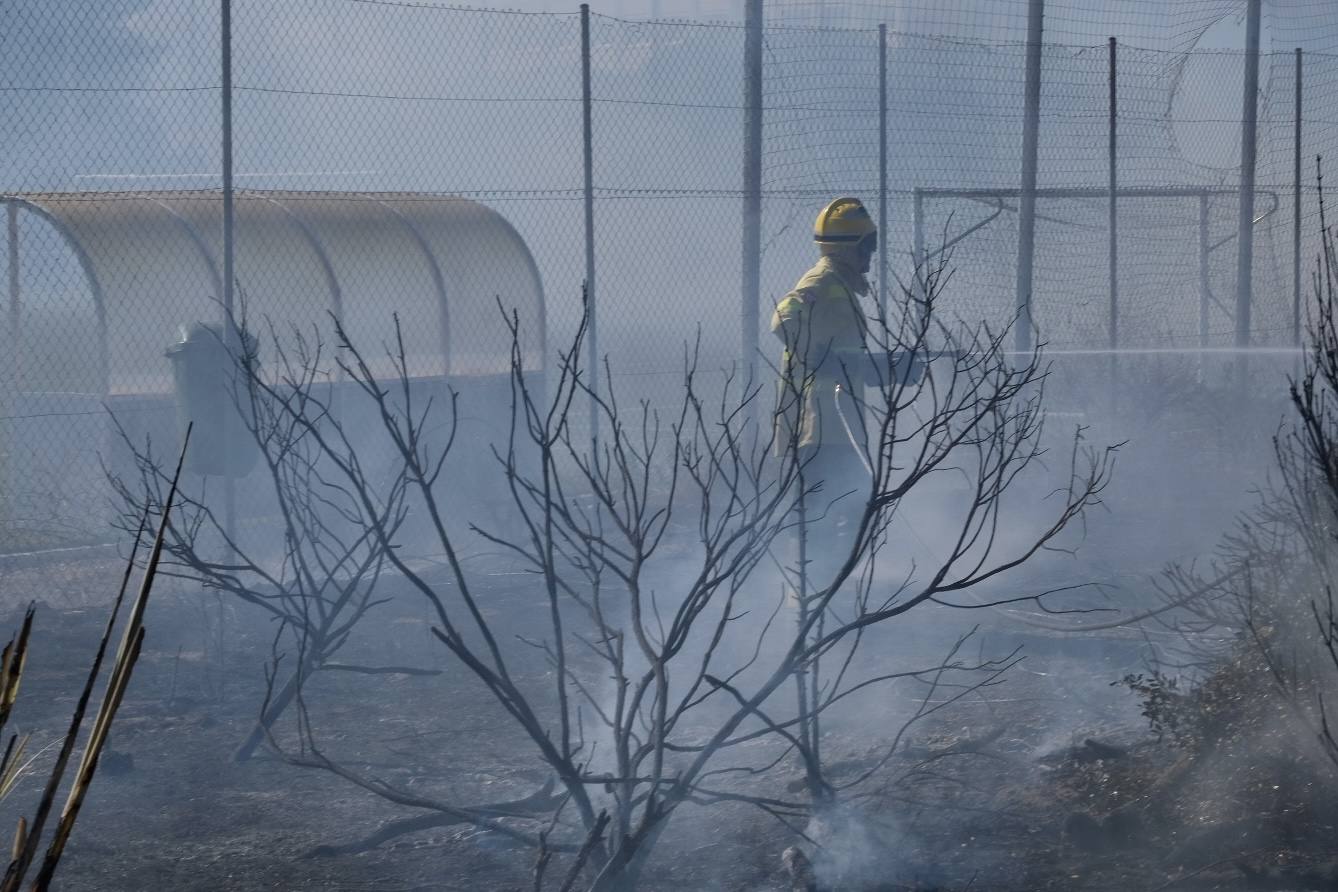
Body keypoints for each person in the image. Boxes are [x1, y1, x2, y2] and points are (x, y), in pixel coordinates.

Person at [771, 196, 879, 590]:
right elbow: (782, 321)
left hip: (838, 423)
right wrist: (825, 361)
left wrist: (882, 371)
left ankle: (829, 591)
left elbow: (845, 355)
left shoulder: (839, 286)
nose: (871, 255)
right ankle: (809, 597)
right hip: (816, 428)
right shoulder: (821, 282)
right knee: (817, 513)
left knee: (851, 508)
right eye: (867, 246)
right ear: (848, 248)